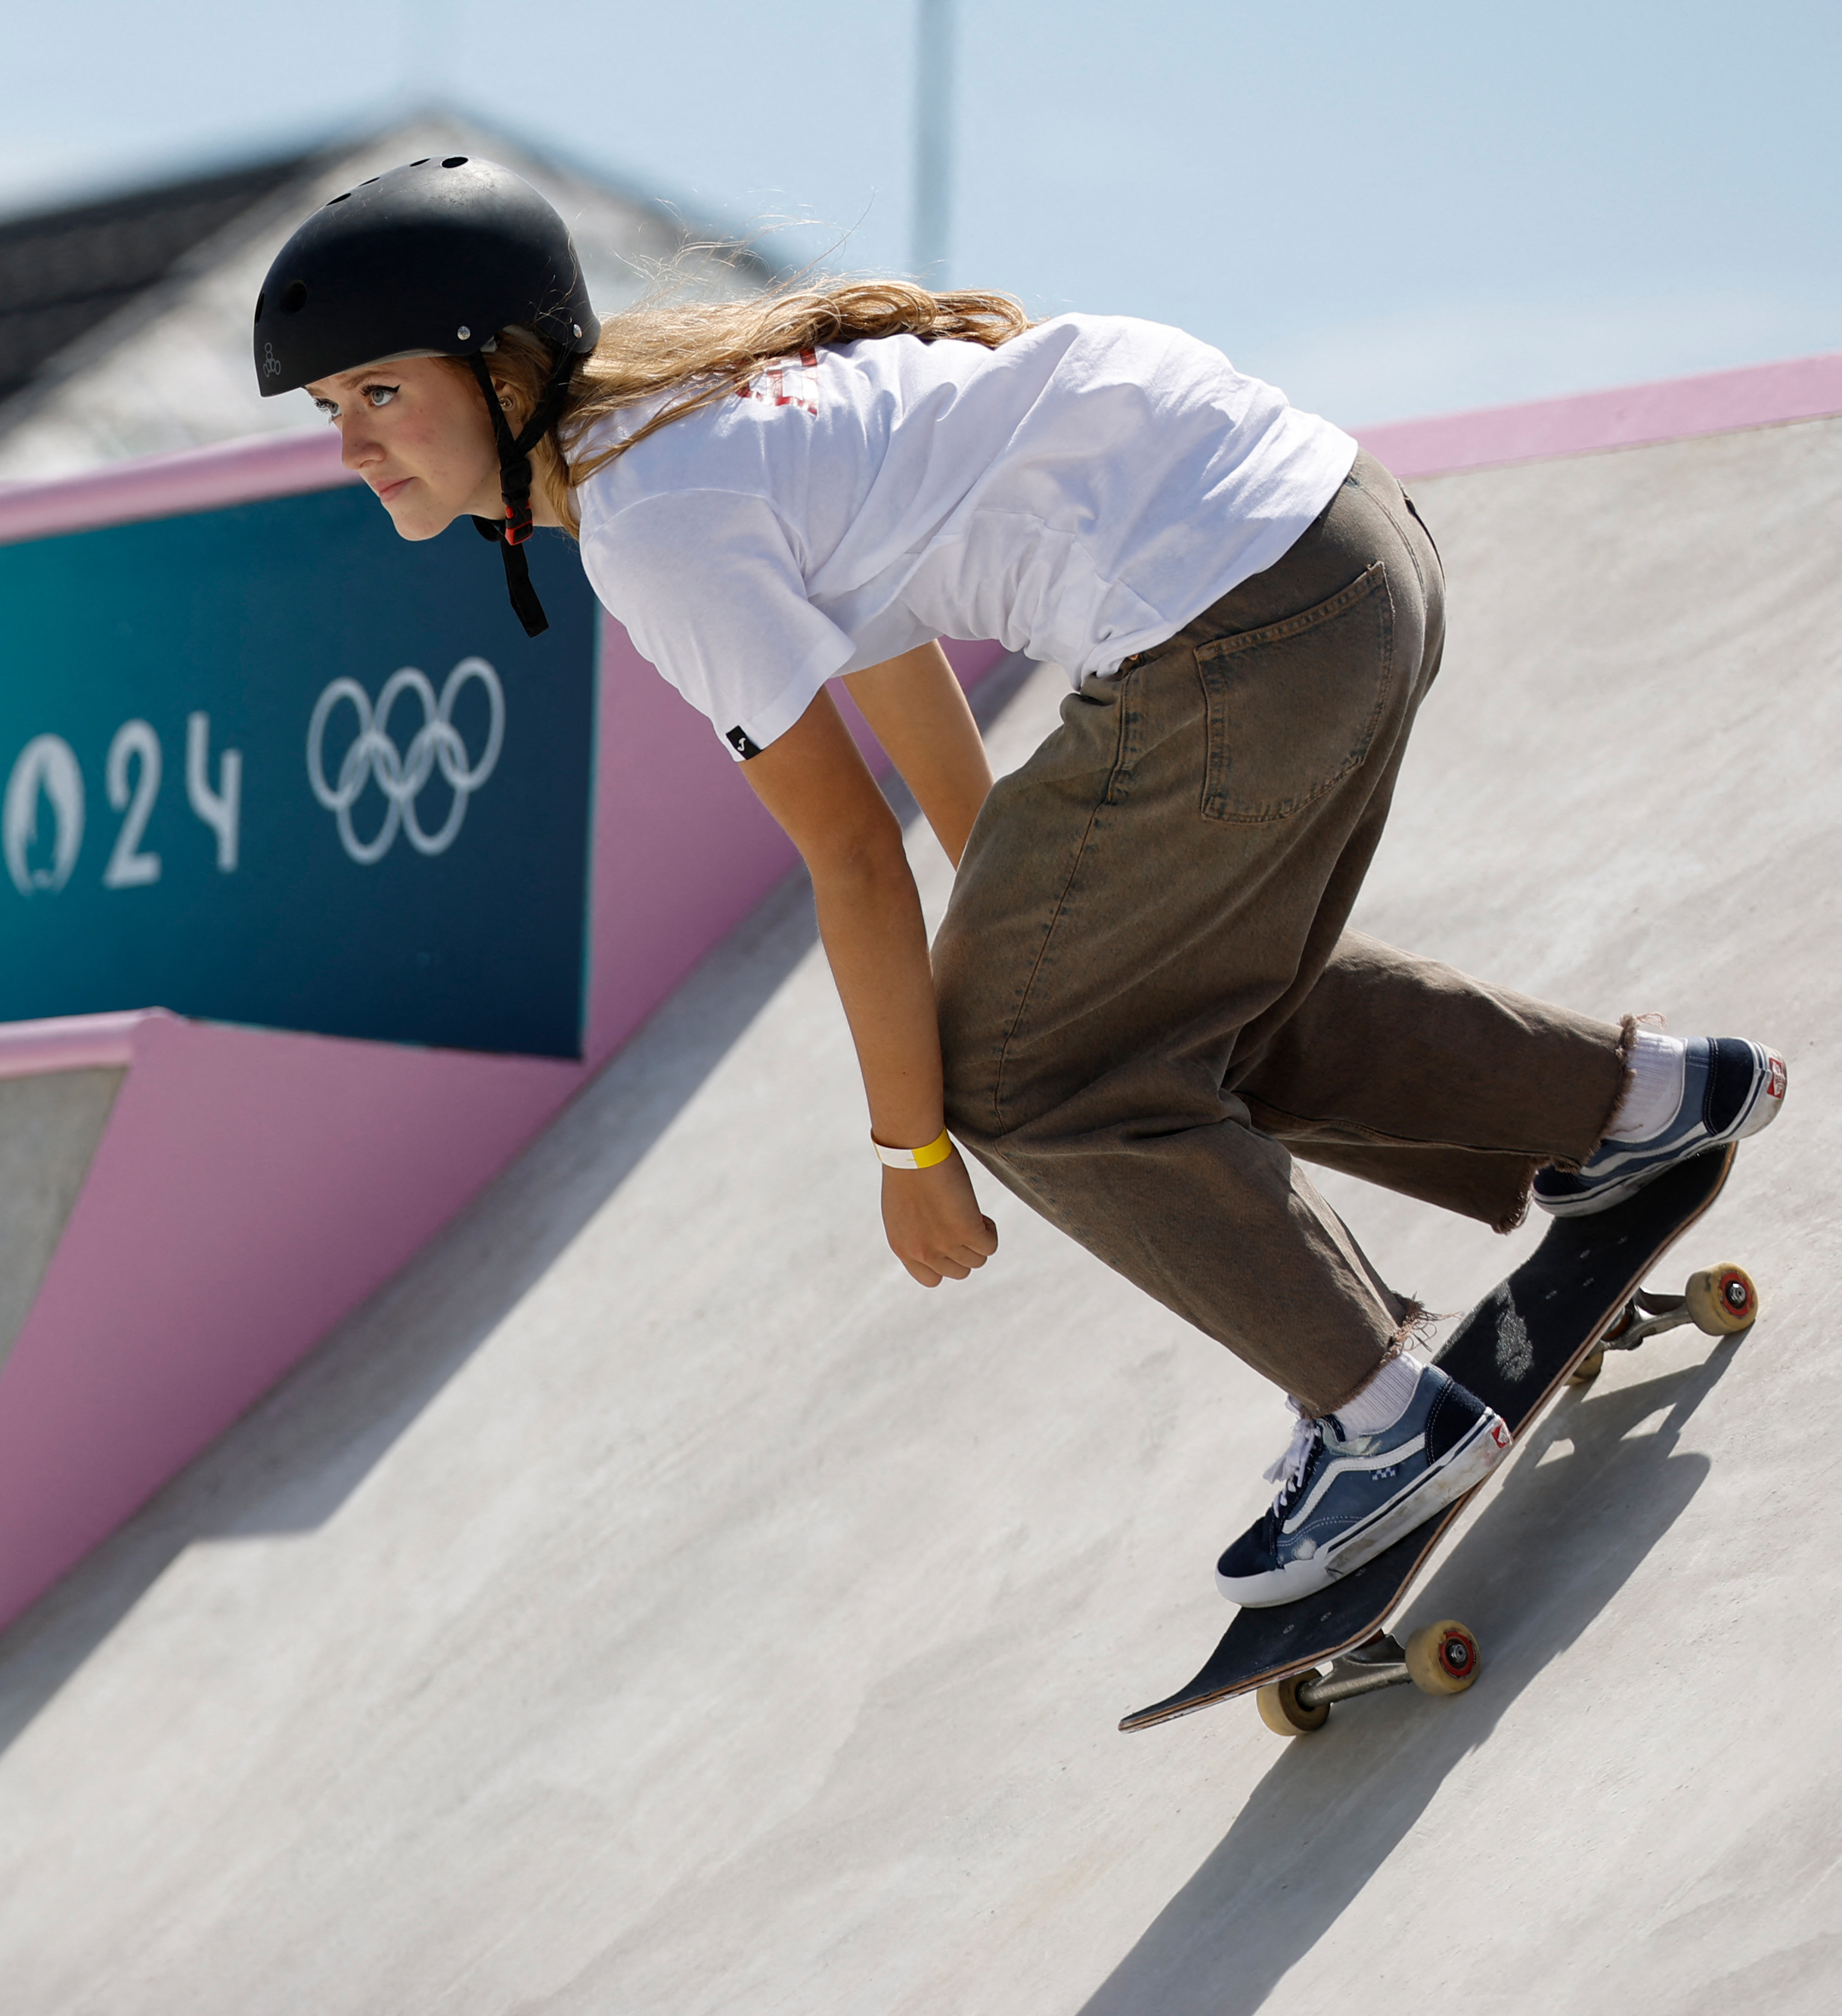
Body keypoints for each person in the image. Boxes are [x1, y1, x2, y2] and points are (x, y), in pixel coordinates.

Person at [250, 155, 1788, 1606]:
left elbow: (848, 858)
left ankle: (1382, 1411)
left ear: (507, 372)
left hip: (1236, 615)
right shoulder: (688, 416)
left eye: (381, 391)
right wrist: (1054, 929)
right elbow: (902, 682)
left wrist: (912, 1146)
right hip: (1333, 537)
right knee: (1135, 1003)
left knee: (1012, 1064)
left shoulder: (647, 522)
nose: (353, 443)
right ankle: (1636, 1101)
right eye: (332, 407)